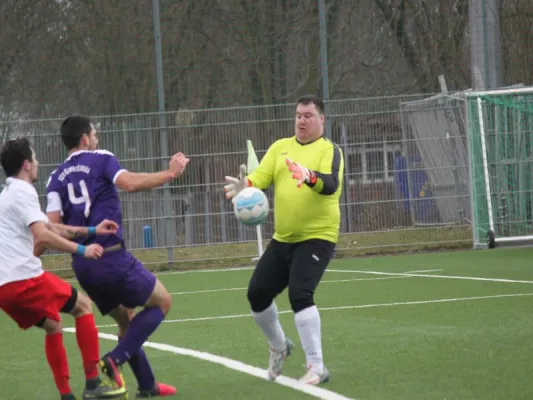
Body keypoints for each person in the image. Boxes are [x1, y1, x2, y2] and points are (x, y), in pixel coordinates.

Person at [42, 115, 189, 398]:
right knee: (162, 302)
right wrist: (169, 174)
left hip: (83, 265)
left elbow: (54, 227)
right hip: (111, 258)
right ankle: (114, 360)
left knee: (126, 321)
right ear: (85, 138)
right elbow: (129, 183)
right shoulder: (101, 158)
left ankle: (147, 386)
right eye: (94, 134)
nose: (97, 139)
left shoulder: (54, 177)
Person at [224, 94, 344, 385]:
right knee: (257, 294)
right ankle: (279, 345)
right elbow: (260, 178)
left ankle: (317, 366)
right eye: (298, 115)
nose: (302, 120)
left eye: (308, 115)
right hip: (283, 239)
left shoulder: (330, 150)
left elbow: (330, 185)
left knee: (300, 295)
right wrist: (245, 187)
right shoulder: (281, 148)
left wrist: (308, 176)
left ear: (321, 120)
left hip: (318, 237)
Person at [0, 137, 128, 400]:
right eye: (34, 159)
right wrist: (83, 249)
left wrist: (92, 230)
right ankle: (93, 383)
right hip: (23, 280)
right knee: (83, 305)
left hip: (4, 289)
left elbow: (49, 227)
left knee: (53, 325)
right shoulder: (23, 191)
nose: (37, 163)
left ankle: (66, 394)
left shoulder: (7, 194)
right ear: (26, 165)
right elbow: (43, 237)